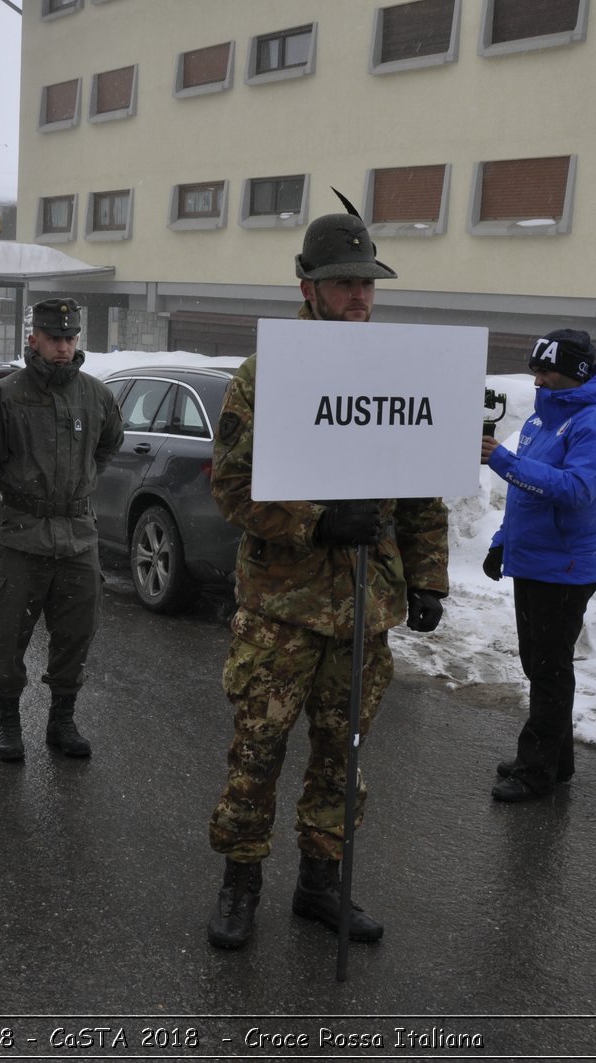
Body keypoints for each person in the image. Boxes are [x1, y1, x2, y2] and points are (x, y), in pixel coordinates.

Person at [204, 211, 449, 951]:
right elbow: (231, 486)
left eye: (368, 284)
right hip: (282, 609)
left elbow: (423, 490)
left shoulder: (397, 372)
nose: (359, 298)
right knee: (257, 755)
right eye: (344, 283)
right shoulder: (265, 374)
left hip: (366, 610)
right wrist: (316, 519)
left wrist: (429, 578)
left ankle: (320, 883)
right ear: (307, 286)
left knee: (341, 759)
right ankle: (240, 884)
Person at [0, 298, 124, 762]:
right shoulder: (6, 395)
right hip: (21, 536)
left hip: (77, 537)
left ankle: (62, 720)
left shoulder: (95, 394)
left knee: (76, 634)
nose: (62, 347)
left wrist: (84, 482)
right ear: (33, 338)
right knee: (10, 635)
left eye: (69, 338)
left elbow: (108, 443)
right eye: (54, 338)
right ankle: (8, 722)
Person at [480, 329, 596, 803]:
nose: (537, 380)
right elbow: (526, 494)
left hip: (563, 567)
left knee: (548, 669)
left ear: (576, 373)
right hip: (534, 562)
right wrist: (502, 541)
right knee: (540, 663)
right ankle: (556, 761)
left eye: (546, 371)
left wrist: (501, 460)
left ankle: (535, 771)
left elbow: (577, 491)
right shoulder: (542, 420)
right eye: (535, 371)